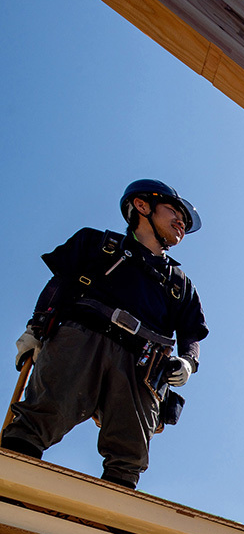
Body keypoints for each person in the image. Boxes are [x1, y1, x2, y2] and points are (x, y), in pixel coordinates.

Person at [2, 179, 208, 489]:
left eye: (184, 220)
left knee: (130, 451)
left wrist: (188, 362)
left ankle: (109, 522)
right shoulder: (98, 244)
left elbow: (191, 332)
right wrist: (36, 330)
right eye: (173, 211)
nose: (181, 222)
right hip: (82, 338)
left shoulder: (180, 285)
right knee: (40, 417)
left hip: (141, 363)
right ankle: (8, 488)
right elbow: (60, 283)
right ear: (142, 206)